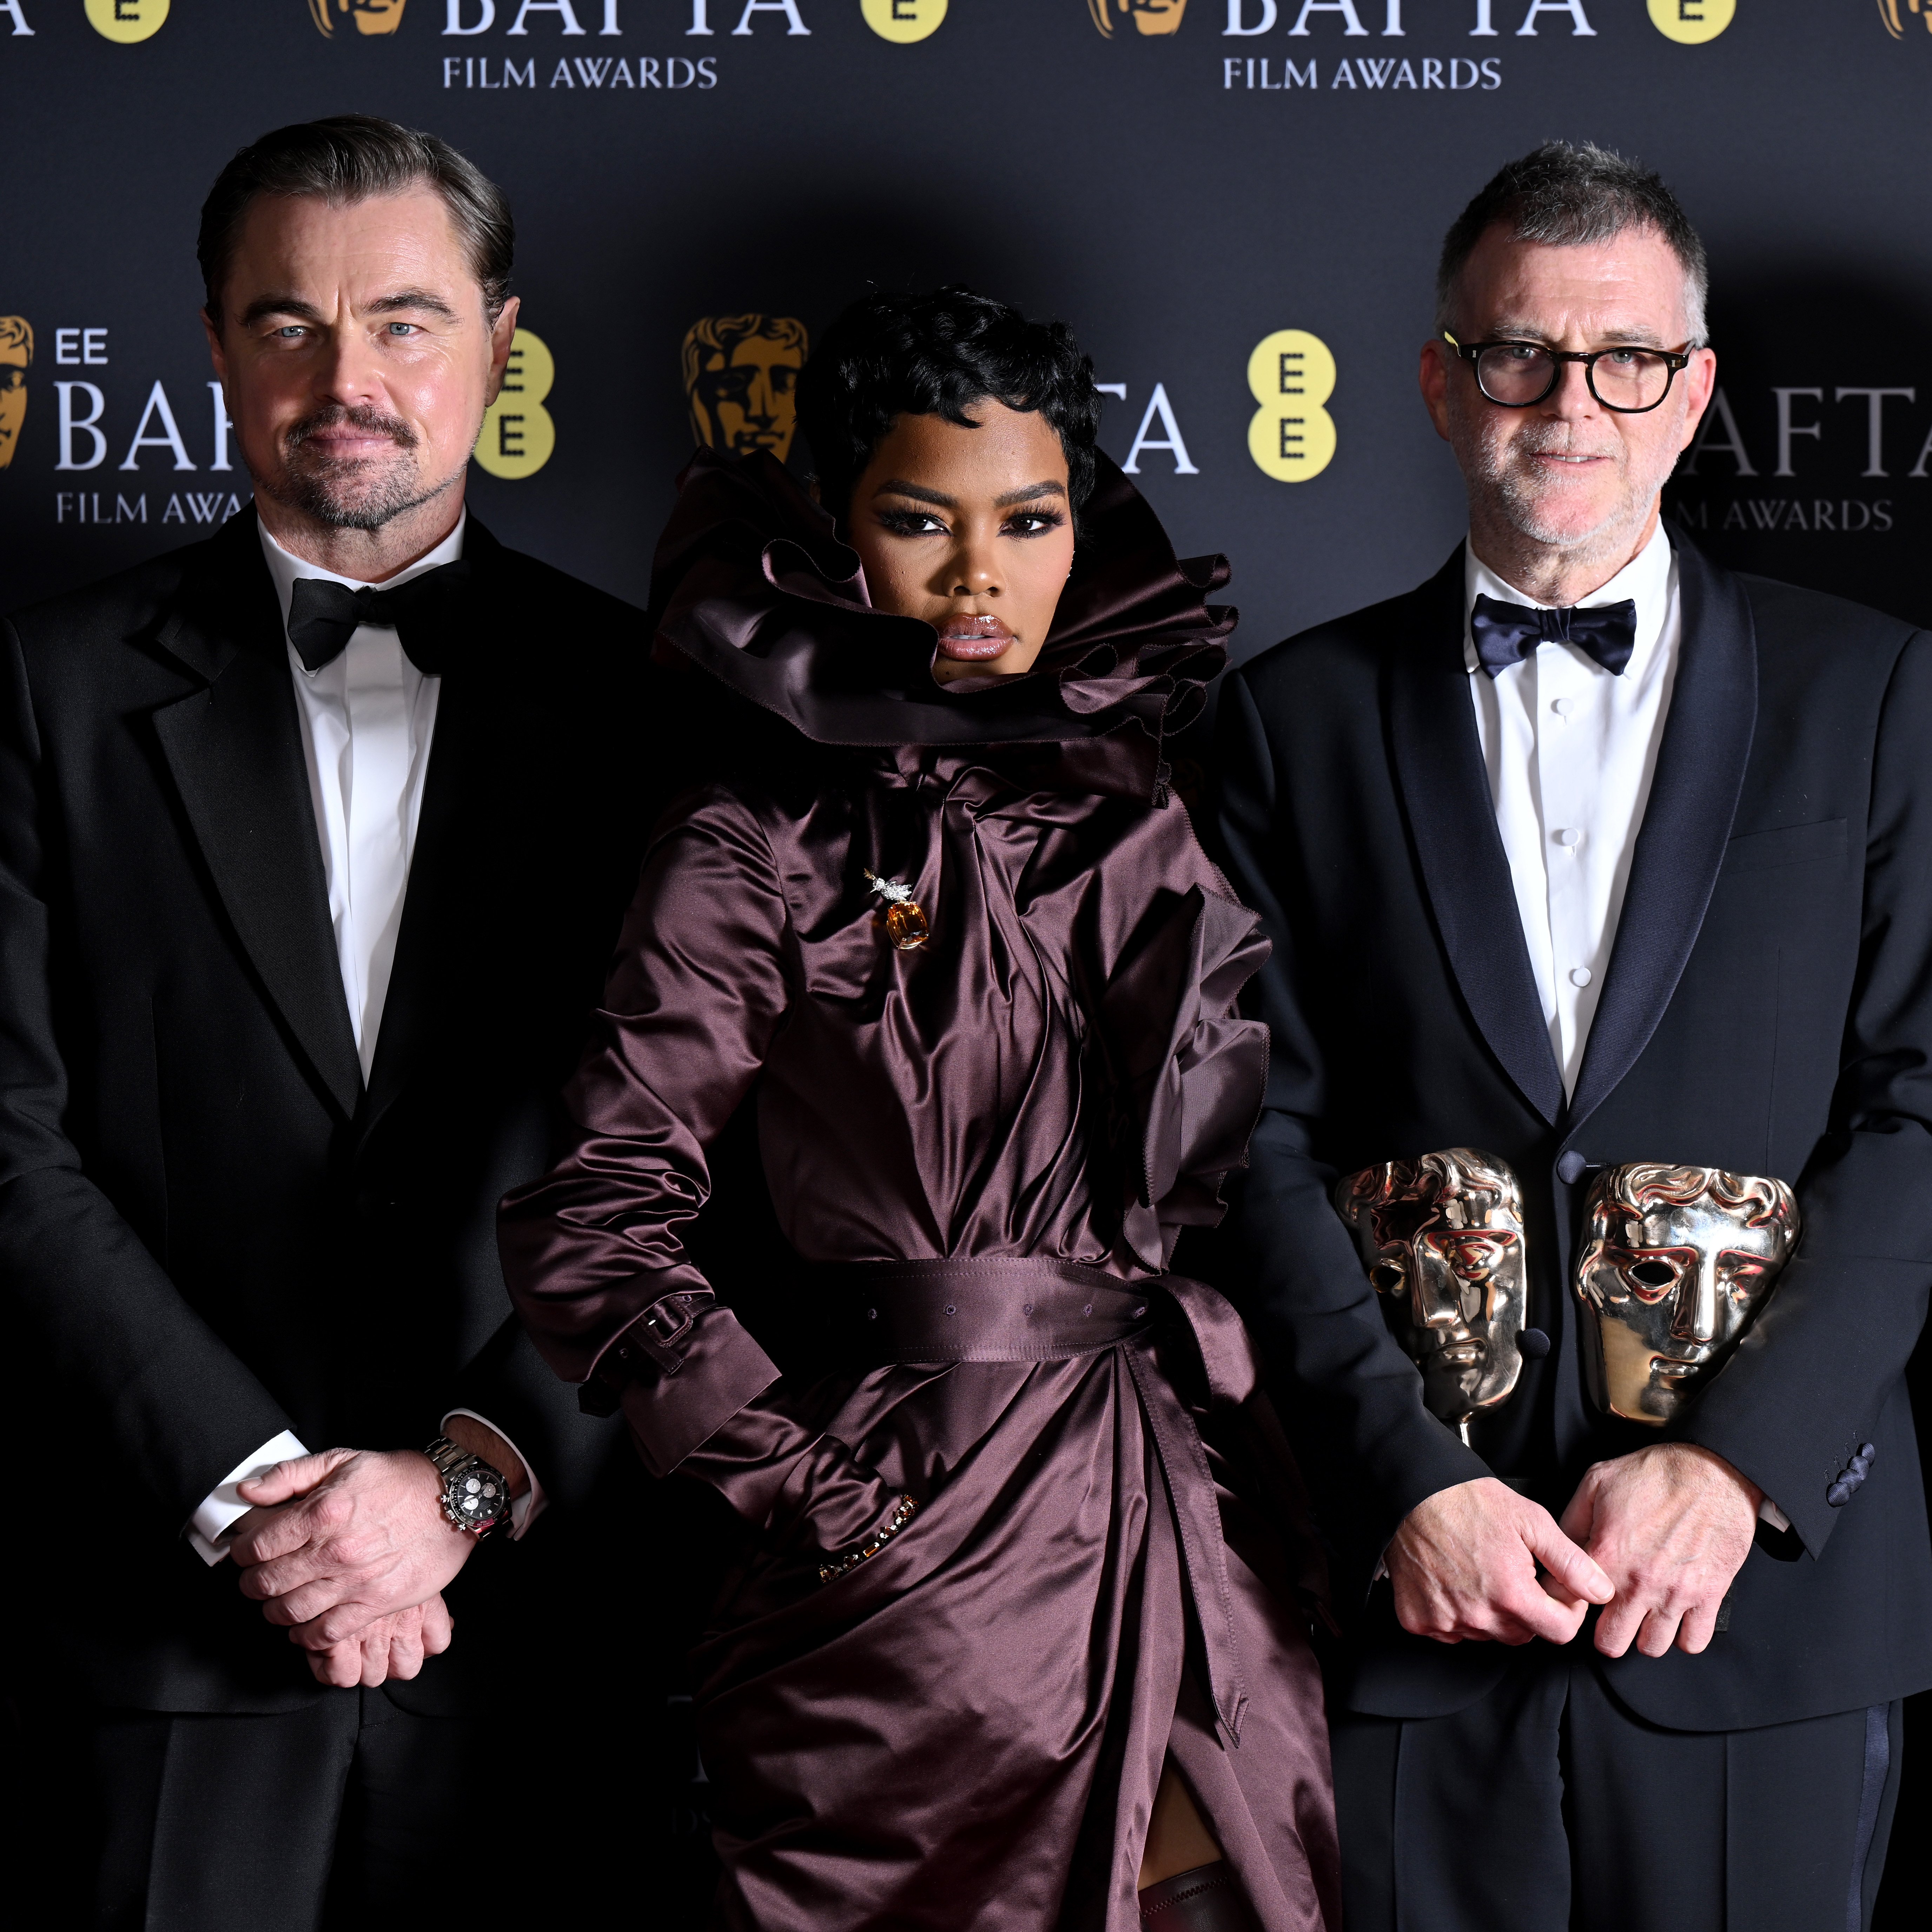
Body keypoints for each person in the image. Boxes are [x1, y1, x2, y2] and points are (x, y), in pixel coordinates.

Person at [499, 286, 1340, 1932]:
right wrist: (818, 1496)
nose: (976, 576)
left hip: (1177, 1521)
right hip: (904, 1575)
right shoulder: (754, 838)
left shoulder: (1140, 805)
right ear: (836, 532)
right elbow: (597, 1218)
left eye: (1026, 520)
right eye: (918, 519)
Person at [1212, 142, 1932, 1932]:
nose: (1570, 403)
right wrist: (1405, 1478)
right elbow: (1241, 1140)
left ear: (1691, 391)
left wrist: (1736, 1463)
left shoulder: (1875, 693)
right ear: (1441, 380)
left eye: (1623, 358)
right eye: (1519, 354)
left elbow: (1920, 1113)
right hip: (1406, 1595)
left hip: (1752, 1602)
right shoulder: (1285, 721)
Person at [0, 116, 669, 1929]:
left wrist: (464, 1480)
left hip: (559, 1643)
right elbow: (5, 1143)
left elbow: (713, 1162)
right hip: (164, 1637)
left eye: (402, 320)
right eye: (286, 323)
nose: (346, 378)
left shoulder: (662, 710)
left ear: (499, 341)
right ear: (212, 345)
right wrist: (259, 1497)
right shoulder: (38, 694)